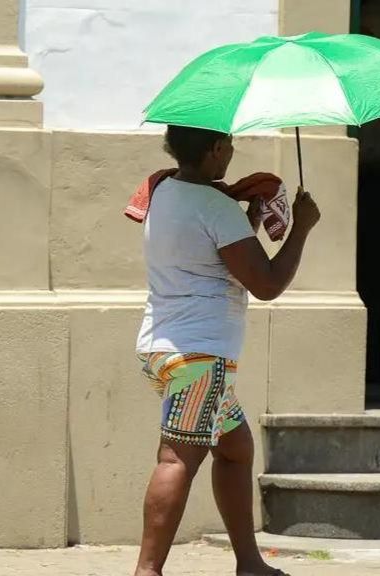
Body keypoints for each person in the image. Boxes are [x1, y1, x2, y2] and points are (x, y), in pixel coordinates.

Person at [133, 125, 321, 576]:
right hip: (201, 356)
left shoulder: (163, 192)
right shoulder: (217, 206)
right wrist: (301, 229)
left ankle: (249, 563)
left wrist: (248, 220)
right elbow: (267, 283)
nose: (234, 152)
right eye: (230, 144)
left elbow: (214, 258)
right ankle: (147, 571)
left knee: (235, 448)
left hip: (164, 349)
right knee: (177, 458)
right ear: (216, 149)